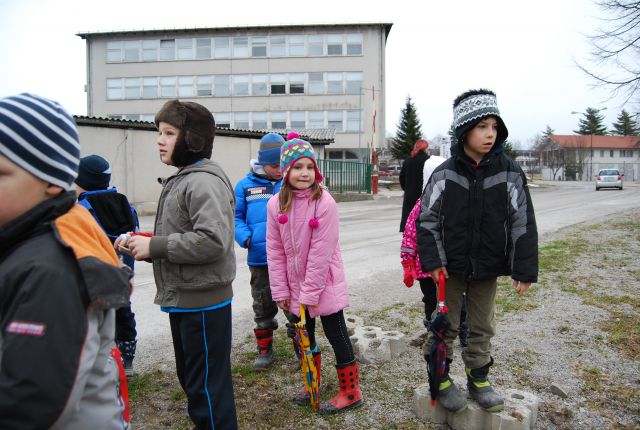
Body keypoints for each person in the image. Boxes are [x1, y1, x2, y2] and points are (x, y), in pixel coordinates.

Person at [0, 93, 131, 429]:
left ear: (51, 181)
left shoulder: (49, 269)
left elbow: (31, 403)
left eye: (1, 173)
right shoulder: (22, 245)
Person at [115, 99, 238, 429]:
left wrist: (155, 246)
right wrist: (142, 243)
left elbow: (213, 240)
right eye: (159, 132)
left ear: (193, 139)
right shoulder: (185, 178)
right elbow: (182, 234)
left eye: (169, 132)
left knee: (207, 391)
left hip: (203, 303)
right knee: (194, 382)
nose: (159, 139)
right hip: (188, 299)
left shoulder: (202, 181)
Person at [417, 89, 538, 413]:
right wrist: (433, 261)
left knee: (483, 326)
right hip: (449, 268)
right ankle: (440, 378)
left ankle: (479, 377)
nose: (490, 133)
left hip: (487, 266)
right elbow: (426, 220)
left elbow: (522, 220)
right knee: (446, 324)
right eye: (482, 126)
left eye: (494, 127)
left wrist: (523, 268)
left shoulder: (509, 172)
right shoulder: (445, 174)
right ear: (464, 129)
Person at [266, 138, 363, 414]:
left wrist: (308, 295)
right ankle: (313, 380)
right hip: (296, 287)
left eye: (310, 166)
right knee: (303, 336)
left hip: (324, 284)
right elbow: (275, 251)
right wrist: (281, 291)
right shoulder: (275, 205)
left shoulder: (324, 203)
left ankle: (351, 390)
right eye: (298, 167)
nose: (305, 173)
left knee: (336, 333)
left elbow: (321, 253)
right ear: (286, 170)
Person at [234, 132, 299, 370]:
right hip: (260, 258)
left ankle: (301, 346)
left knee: (294, 303)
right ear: (262, 163)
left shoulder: (292, 183)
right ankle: (264, 350)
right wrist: (246, 237)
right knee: (262, 303)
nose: (280, 169)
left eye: (283, 164)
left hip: (288, 259)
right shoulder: (245, 186)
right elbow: (236, 217)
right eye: (274, 165)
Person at [75, 154, 140, 377]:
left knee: (96, 317)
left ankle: (102, 360)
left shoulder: (82, 208)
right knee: (123, 310)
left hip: (94, 274)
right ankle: (127, 356)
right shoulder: (124, 203)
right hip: (122, 271)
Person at [400, 155, 468, 347]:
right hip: (426, 267)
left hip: (451, 266)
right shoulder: (420, 206)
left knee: (458, 300)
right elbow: (410, 235)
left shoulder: (458, 205)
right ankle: (433, 329)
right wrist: (407, 262)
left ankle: (463, 328)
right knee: (431, 299)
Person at [399, 139, 429, 232]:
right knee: (422, 220)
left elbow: (401, 178)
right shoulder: (428, 161)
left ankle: (409, 241)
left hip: (410, 194)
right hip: (423, 194)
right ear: (425, 148)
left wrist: (407, 188)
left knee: (409, 219)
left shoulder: (408, 161)